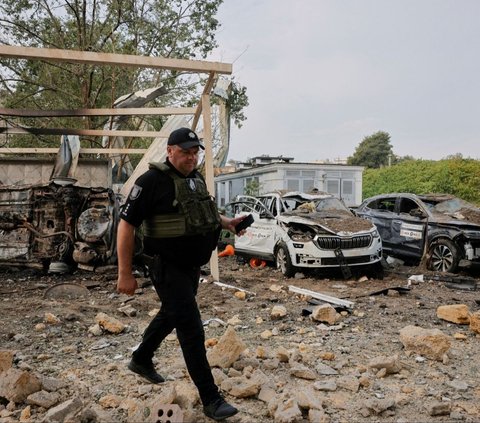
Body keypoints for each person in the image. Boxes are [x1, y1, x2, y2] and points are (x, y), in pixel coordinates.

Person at [116, 127, 246, 421]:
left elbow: (205, 214)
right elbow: (126, 226)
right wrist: (124, 272)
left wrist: (229, 223)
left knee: (173, 313)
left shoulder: (195, 180)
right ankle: (211, 398)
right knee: (190, 325)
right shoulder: (150, 181)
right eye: (185, 151)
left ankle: (141, 358)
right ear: (170, 151)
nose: (191, 156)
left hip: (190, 266)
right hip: (165, 265)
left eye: (195, 151)